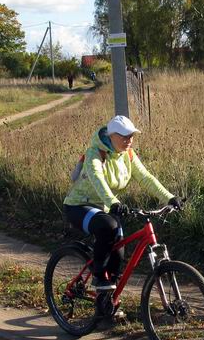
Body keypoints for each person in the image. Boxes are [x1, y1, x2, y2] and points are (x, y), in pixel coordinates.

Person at [63, 115, 182, 295]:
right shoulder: (95, 153)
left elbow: (146, 178)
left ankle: (107, 302)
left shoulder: (128, 155)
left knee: (118, 252)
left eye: (132, 136)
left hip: (104, 207)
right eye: (124, 136)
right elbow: (98, 180)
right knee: (109, 226)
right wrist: (114, 203)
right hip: (78, 206)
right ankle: (98, 276)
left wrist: (170, 198)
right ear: (111, 136)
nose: (129, 140)